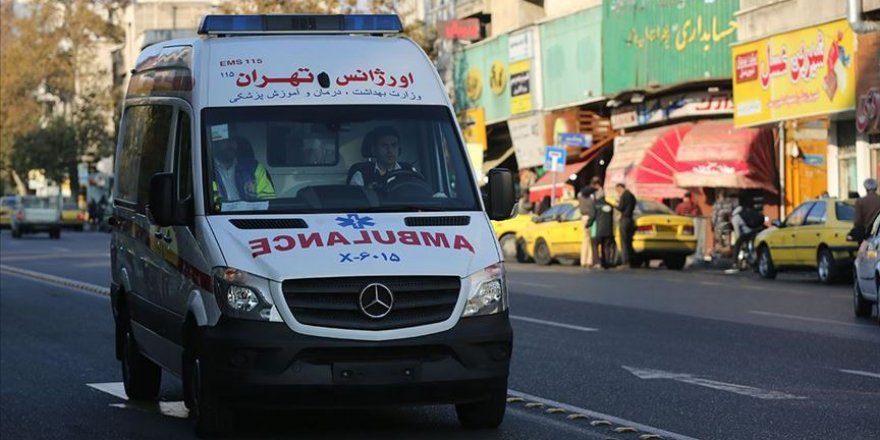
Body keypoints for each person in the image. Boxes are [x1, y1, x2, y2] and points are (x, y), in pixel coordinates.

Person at [212, 136, 276, 205]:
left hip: (250, 215)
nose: (230, 145)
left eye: (233, 141)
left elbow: (268, 202)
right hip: (219, 215)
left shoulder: (254, 168)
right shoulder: (205, 170)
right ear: (214, 143)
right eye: (225, 141)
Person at [347, 126, 417, 188]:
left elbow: (421, 193)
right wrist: (368, 192)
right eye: (384, 146)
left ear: (399, 148)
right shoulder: (361, 173)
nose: (389, 150)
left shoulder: (409, 170)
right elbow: (354, 200)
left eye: (393, 145)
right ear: (374, 150)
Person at [588, 194, 616, 269]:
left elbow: (592, 216)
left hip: (597, 230)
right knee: (606, 247)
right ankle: (606, 262)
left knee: (595, 246)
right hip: (608, 230)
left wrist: (588, 224)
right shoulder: (610, 205)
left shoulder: (595, 205)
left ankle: (596, 262)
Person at [615, 182, 636, 269]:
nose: (617, 192)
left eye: (617, 190)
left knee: (624, 242)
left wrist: (615, 204)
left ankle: (625, 262)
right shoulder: (632, 195)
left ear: (620, 187)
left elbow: (621, 207)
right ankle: (632, 261)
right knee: (629, 241)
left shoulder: (624, 195)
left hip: (624, 219)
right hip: (630, 219)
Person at [577, 186, 596, 268]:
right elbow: (593, 209)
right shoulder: (591, 200)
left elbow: (579, 194)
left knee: (584, 239)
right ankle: (589, 260)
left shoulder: (580, 198)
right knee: (591, 240)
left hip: (583, 218)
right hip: (590, 218)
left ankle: (583, 260)